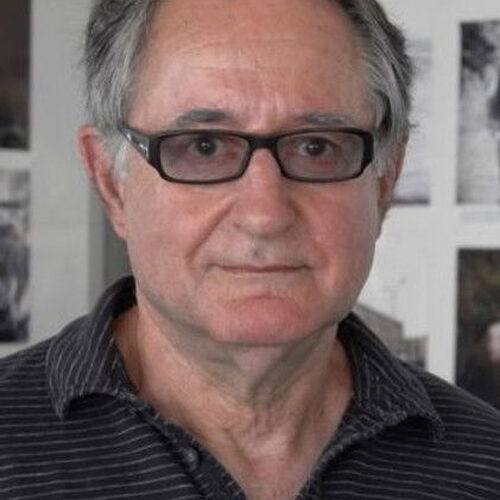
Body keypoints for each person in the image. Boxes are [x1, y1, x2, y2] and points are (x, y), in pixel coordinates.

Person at [0, 0, 499, 499]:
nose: (264, 215)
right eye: (204, 147)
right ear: (112, 183)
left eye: (317, 147)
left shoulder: (485, 465)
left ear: (385, 181)